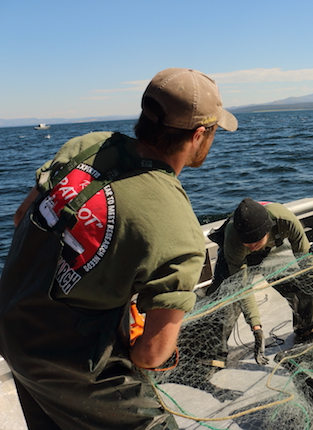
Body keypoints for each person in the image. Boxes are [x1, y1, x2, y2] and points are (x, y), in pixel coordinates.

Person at [0, 68, 237, 430]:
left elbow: (22, 217)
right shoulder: (179, 230)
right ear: (199, 135)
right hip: (70, 363)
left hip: (13, 329)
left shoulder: (89, 144)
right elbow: (150, 355)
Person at [200, 197, 313, 369]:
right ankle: (213, 353)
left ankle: (309, 328)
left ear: (268, 230)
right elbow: (242, 288)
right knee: (226, 297)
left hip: (272, 248)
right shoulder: (234, 238)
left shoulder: (286, 221)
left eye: (255, 242)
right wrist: (256, 328)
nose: (252, 246)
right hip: (235, 255)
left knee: (300, 281)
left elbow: (307, 263)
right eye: (248, 242)